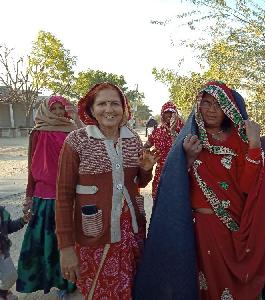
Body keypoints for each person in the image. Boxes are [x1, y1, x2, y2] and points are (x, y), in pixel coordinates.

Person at [134, 81, 265, 300]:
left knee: (234, 287)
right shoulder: (188, 142)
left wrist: (254, 145)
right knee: (204, 286)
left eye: (218, 104)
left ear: (229, 108)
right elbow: (174, 191)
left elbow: (248, 185)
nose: (212, 109)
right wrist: (186, 160)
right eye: (206, 103)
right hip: (202, 230)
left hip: (235, 229)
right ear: (198, 106)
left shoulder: (240, 141)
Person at [55, 82, 158, 299]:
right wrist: (65, 248)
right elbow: (63, 196)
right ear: (91, 109)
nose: (109, 109)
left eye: (115, 103)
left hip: (131, 235)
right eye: (102, 104)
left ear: (124, 108)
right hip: (95, 236)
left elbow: (139, 183)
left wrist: (145, 170)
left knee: (132, 290)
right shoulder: (77, 141)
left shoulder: (133, 140)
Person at [17, 95, 82, 299]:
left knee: (66, 244)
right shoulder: (38, 133)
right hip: (43, 198)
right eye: (53, 109)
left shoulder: (73, 132)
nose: (57, 113)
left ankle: (67, 283)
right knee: (45, 244)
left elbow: (88, 143)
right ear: (46, 110)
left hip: (69, 195)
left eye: (61, 109)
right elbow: (31, 167)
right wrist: (29, 195)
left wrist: (77, 118)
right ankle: (47, 280)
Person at [144, 102, 184, 200]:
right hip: (161, 173)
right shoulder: (157, 132)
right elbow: (146, 146)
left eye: (172, 112)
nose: (169, 115)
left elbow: (185, 149)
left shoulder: (183, 130)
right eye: (167, 112)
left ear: (176, 114)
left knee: (177, 203)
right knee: (159, 202)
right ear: (162, 114)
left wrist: (173, 132)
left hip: (178, 172)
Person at [0, 206, 30, 300]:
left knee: (12, 276)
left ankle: (3, 292)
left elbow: (9, 227)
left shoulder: (3, 212)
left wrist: (22, 220)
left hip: (3, 253)